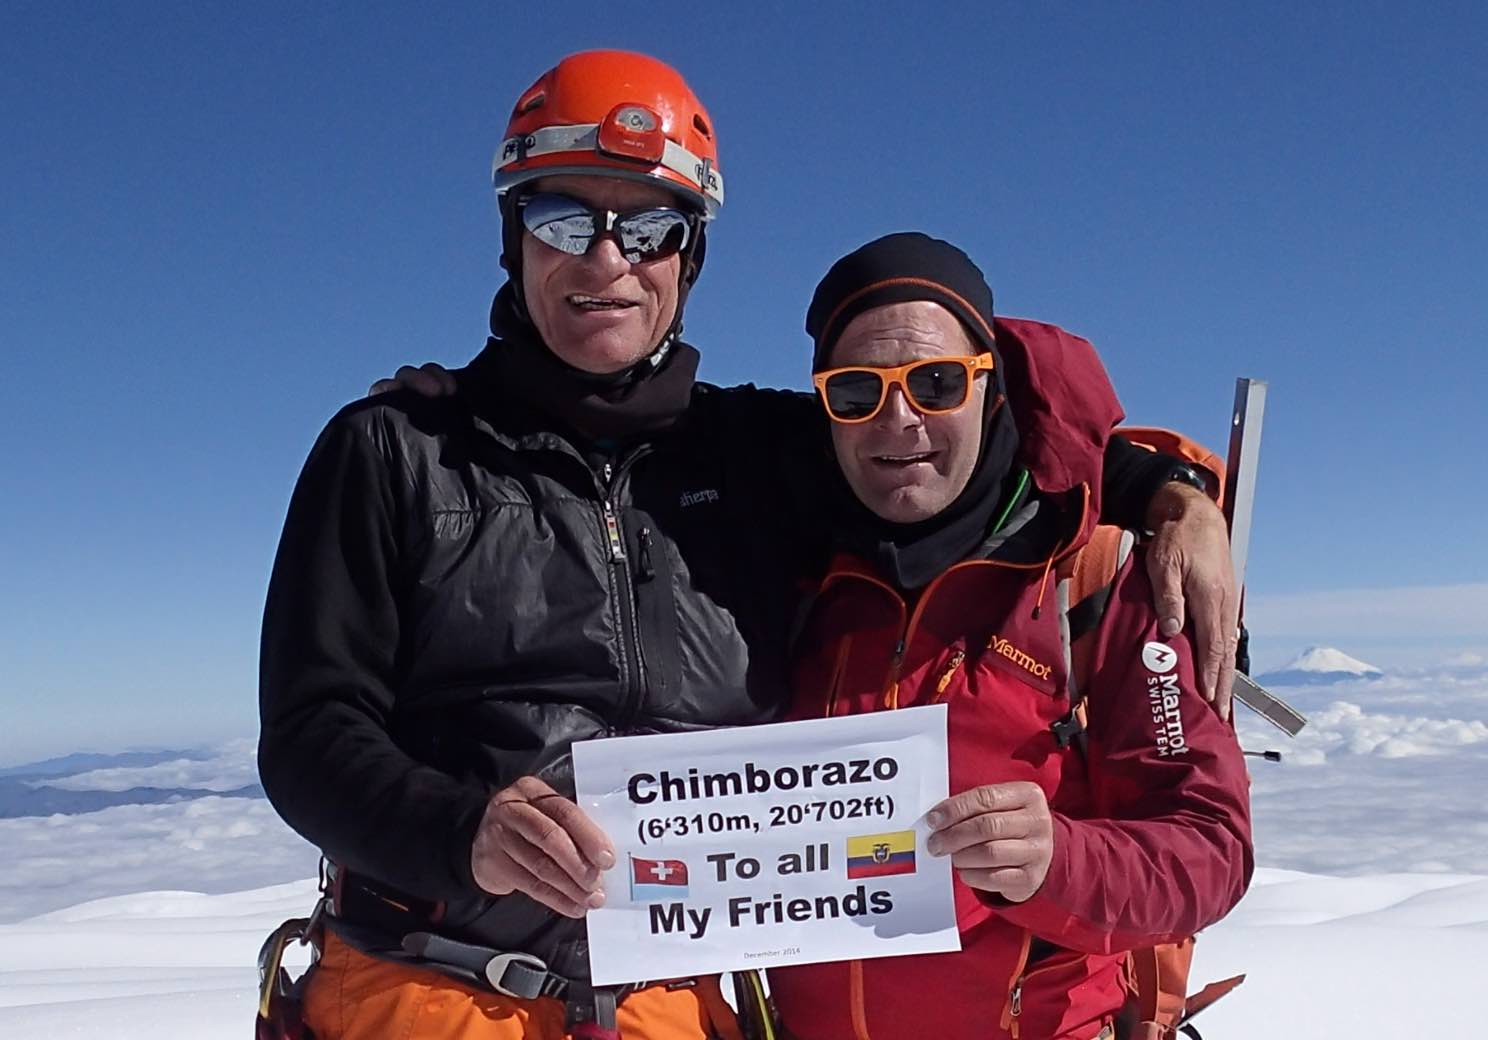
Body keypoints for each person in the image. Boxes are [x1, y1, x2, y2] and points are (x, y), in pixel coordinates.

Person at [259, 50, 1241, 1040]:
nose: (607, 262)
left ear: (689, 255)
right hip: (424, 989)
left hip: (668, 1005)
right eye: (564, 219)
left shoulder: (756, 456)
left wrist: (1166, 488)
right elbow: (309, 736)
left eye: (647, 227)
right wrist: (462, 831)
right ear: (513, 240)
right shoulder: (395, 452)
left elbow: (946, 437)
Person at [764, 233, 1252, 1040]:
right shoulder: (785, 574)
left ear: (991, 389)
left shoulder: (1100, 576)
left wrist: (1058, 863)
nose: (898, 419)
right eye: (855, 391)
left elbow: (1210, 849)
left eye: (937, 383)